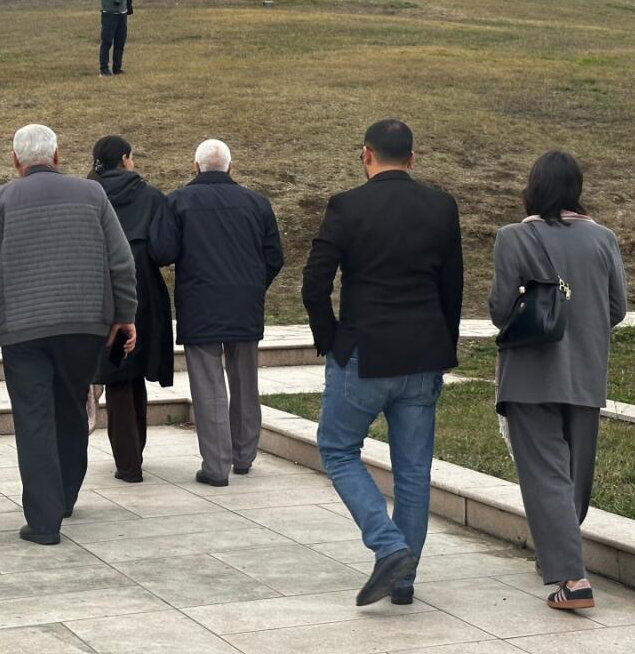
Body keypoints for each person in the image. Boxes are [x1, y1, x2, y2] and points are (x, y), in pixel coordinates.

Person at [0, 124, 137, 545]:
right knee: (71, 407)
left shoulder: (1, 200)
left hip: (22, 330)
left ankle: (44, 520)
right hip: (84, 326)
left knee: (33, 418)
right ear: (57, 156)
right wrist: (125, 315)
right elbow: (121, 263)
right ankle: (65, 497)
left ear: (16, 160)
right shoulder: (93, 195)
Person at [301, 119, 463, 607]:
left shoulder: (347, 206)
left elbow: (314, 282)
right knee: (413, 472)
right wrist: (445, 349)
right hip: (422, 357)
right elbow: (451, 286)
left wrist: (330, 339)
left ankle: (389, 547)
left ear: (365, 154)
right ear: (412, 159)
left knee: (337, 448)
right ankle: (403, 579)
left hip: (363, 355)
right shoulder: (441, 206)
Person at [488, 151, 627, 611]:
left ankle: (571, 576)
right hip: (586, 371)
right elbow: (618, 309)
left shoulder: (512, 237)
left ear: (532, 188)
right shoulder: (603, 238)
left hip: (530, 373)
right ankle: (561, 550)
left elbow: (499, 310)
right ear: (576, 188)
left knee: (546, 473)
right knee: (574, 475)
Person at [149, 138, 283, 486]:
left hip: (200, 303)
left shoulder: (178, 200)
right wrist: (254, 286)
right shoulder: (257, 202)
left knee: (208, 387)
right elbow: (274, 257)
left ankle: (216, 466)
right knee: (245, 382)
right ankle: (243, 456)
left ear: (195, 167)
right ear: (230, 167)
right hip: (245, 303)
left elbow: (162, 251)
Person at [88, 135, 174, 484]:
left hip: (97, 290)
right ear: (124, 159)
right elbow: (165, 251)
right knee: (132, 372)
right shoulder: (152, 197)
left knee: (117, 373)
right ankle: (132, 457)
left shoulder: (86, 196)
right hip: (144, 291)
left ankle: (129, 459)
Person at [89, 0, 135, 77]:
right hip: (109, 13)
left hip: (122, 13)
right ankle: (104, 69)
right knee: (107, 41)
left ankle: (117, 68)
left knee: (120, 42)